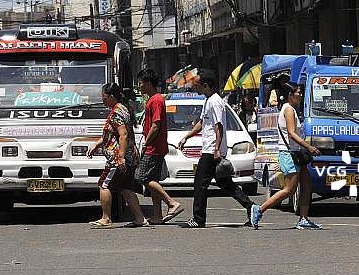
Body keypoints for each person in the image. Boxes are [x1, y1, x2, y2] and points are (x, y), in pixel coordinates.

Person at [178, 69, 256, 228]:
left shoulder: (215, 101)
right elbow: (202, 123)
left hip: (211, 151)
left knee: (200, 183)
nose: (195, 88)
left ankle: (198, 219)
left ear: (206, 85)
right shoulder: (208, 100)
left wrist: (216, 150)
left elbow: (218, 126)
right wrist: (187, 136)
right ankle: (252, 207)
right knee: (225, 184)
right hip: (210, 149)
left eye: (198, 85)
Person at [250, 82, 322, 230]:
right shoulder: (288, 109)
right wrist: (308, 146)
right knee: (289, 189)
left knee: (306, 186)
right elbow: (291, 133)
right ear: (290, 95)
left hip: (297, 154)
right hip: (289, 154)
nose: (300, 95)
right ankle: (259, 209)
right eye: (298, 92)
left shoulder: (291, 109)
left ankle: (303, 218)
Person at [88, 83, 148, 228]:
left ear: (111, 97)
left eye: (104, 97)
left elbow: (123, 135)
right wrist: (98, 144)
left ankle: (106, 218)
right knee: (126, 188)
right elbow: (113, 134)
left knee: (104, 184)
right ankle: (140, 218)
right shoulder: (122, 109)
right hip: (129, 156)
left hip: (118, 158)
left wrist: (120, 157)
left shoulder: (116, 112)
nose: (102, 100)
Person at [135, 69, 183, 224]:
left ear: (148, 83)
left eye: (141, 83)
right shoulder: (154, 99)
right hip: (156, 146)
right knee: (153, 180)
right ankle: (157, 215)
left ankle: (171, 203)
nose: (139, 86)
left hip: (154, 147)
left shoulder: (155, 100)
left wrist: (146, 142)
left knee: (143, 177)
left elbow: (156, 125)